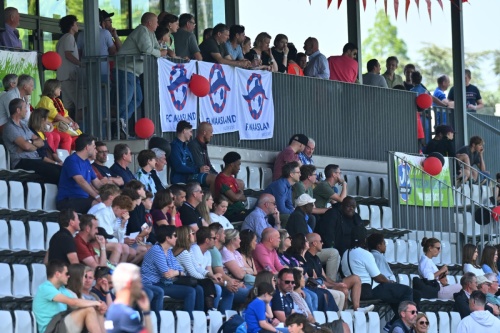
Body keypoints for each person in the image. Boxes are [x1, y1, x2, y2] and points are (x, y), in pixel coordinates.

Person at [116, 13, 167, 135]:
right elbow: (147, 50)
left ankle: (122, 121)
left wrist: (161, 50)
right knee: (125, 100)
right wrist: (161, 53)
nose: (158, 24)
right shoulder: (142, 30)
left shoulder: (150, 33)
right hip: (125, 69)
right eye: (156, 22)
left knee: (138, 98)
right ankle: (119, 127)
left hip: (134, 72)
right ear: (149, 23)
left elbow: (156, 47)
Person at [141, 225, 202, 319]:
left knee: (192, 290)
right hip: (151, 283)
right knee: (187, 291)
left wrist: (176, 272)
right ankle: (160, 323)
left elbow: (180, 271)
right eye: (175, 235)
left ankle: (191, 320)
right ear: (167, 238)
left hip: (162, 283)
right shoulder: (156, 250)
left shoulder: (168, 251)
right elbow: (166, 273)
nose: (176, 238)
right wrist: (175, 273)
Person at [33, 260, 105, 333]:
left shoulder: (62, 289)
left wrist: (98, 306)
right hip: (51, 329)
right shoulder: (45, 288)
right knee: (89, 310)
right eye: (66, 273)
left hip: (60, 324)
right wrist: (95, 303)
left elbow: (78, 303)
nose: (69, 276)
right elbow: (73, 302)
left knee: (97, 310)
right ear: (57, 274)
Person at [2, 98, 61, 184]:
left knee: (60, 169)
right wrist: (30, 144)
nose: (27, 111)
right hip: (22, 161)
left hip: (35, 159)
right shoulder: (10, 127)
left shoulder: (24, 125)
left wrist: (29, 142)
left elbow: (41, 142)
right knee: (54, 172)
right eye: (25, 108)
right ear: (18, 110)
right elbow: (26, 146)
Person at [173, 226, 222, 311]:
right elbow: (192, 273)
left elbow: (197, 267)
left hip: (183, 278)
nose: (194, 235)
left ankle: (207, 310)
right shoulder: (184, 252)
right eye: (192, 233)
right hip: (177, 279)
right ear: (187, 236)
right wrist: (207, 278)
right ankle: (205, 311)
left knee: (203, 285)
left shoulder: (188, 250)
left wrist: (210, 275)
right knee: (203, 285)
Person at [56, 134, 104, 213]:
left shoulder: (87, 162)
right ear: (87, 147)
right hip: (68, 200)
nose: (96, 150)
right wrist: (97, 196)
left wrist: (111, 193)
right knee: (98, 205)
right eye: (94, 146)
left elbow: (98, 183)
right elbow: (81, 181)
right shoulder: (71, 160)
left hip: (82, 200)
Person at [35, 79, 81, 152]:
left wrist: (74, 124)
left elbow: (66, 115)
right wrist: (70, 124)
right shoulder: (45, 99)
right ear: (53, 88)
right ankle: (63, 160)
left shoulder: (58, 100)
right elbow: (57, 116)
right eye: (59, 88)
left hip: (61, 126)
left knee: (79, 137)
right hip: (51, 127)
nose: (60, 90)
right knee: (67, 138)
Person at [105, 263, 154, 333]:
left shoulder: (116, 308)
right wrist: (147, 313)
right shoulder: (125, 313)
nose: (141, 286)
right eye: (139, 282)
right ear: (129, 283)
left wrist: (146, 310)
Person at [56, 15, 84, 114]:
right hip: (70, 77)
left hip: (63, 77)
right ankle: (81, 128)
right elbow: (68, 54)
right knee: (81, 106)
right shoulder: (69, 37)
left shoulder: (62, 39)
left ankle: (69, 127)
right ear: (71, 26)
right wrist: (80, 63)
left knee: (68, 107)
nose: (77, 25)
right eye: (76, 23)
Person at [170, 120, 211, 185]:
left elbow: (191, 163)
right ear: (184, 131)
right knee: (211, 179)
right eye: (190, 132)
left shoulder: (185, 146)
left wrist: (202, 169)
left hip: (190, 177)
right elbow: (178, 167)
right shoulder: (174, 146)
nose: (191, 135)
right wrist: (198, 170)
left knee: (214, 178)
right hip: (181, 180)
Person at [214, 151, 248, 221]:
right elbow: (235, 197)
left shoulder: (231, 178)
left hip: (240, 211)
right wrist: (239, 194)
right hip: (231, 213)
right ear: (232, 165)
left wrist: (236, 197)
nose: (239, 168)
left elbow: (243, 198)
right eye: (238, 165)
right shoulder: (221, 179)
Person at [187, 121, 219, 187]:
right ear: (204, 132)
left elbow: (209, 166)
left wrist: (219, 175)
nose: (212, 135)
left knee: (224, 179)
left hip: (204, 174)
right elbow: (200, 166)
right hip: (194, 175)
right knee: (215, 179)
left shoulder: (204, 145)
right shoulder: (193, 145)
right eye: (211, 132)